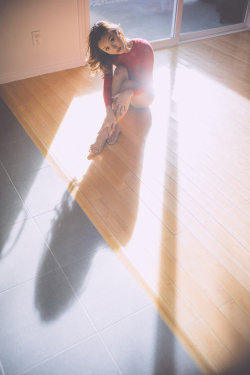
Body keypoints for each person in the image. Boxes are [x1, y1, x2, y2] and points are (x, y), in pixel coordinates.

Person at [86, 20, 154, 157]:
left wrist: (129, 92)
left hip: (144, 96)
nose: (113, 47)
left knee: (128, 85)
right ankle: (114, 125)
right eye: (107, 49)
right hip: (123, 96)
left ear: (117, 31)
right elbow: (107, 85)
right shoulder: (111, 57)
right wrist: (109, 111)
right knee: (120, 71)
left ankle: (103, 133)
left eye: (112, 40)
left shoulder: (144, 47)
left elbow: (147, 84)